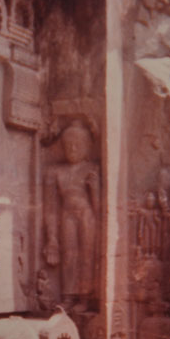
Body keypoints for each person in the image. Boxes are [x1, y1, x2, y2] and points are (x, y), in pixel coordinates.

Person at [43, 121, 100, 311]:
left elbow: (100, 208)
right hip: (66, 215)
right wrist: (52, 238)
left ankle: (84, 297)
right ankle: (68, 296)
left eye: (78, 145)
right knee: (69, 255)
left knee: (86, 255)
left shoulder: (92, 169)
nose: (73, 149)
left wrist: (95, 190)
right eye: (68, 145)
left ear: (87, 147)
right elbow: (50, 207)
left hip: (87, 214)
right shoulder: (55, 172)